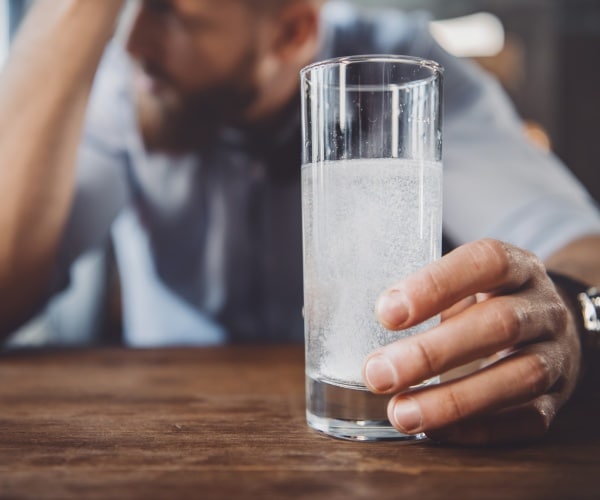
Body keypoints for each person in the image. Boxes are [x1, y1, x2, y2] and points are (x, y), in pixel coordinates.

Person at [0, 0, 599, 445]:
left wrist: (568, 312)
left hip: (394, 434)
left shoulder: (407, 77)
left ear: (293, 31)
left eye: (169, 12)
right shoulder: (133, 90)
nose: (132, 43)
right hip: (171, 433)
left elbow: (583, 247)